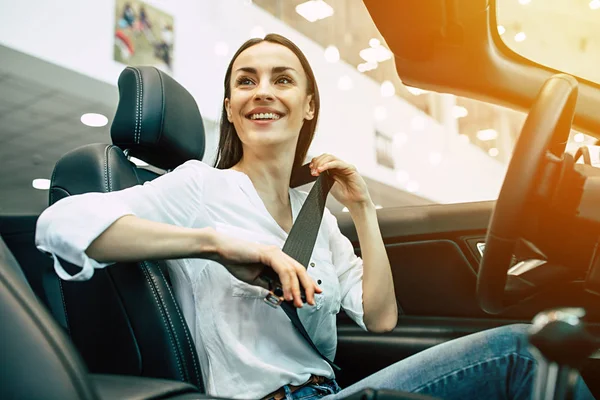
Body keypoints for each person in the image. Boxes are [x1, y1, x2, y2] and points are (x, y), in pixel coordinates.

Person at [35, 33, 595, 400]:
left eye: (282, 79)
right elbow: (59, 224)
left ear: (307, 106)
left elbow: (379, 318)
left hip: (327, 390)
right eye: (245, 81)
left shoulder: (318, 219)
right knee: (523, 351)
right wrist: (215, 244)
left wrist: (363, 208)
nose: (263, 92)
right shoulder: (199, 186)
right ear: (230, 107)